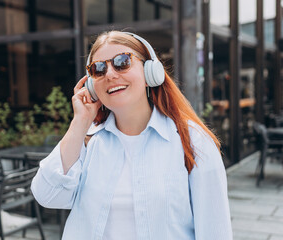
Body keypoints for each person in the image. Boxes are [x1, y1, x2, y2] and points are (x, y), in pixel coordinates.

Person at [31, 30, 233, 240]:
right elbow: (47, 195)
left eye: (122, 62)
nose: (109, 74)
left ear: (150, 73)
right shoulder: (87, 140)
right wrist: (80, 122)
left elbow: (215, 231)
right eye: (98, 69)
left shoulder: (193, 141)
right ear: (91, 85)